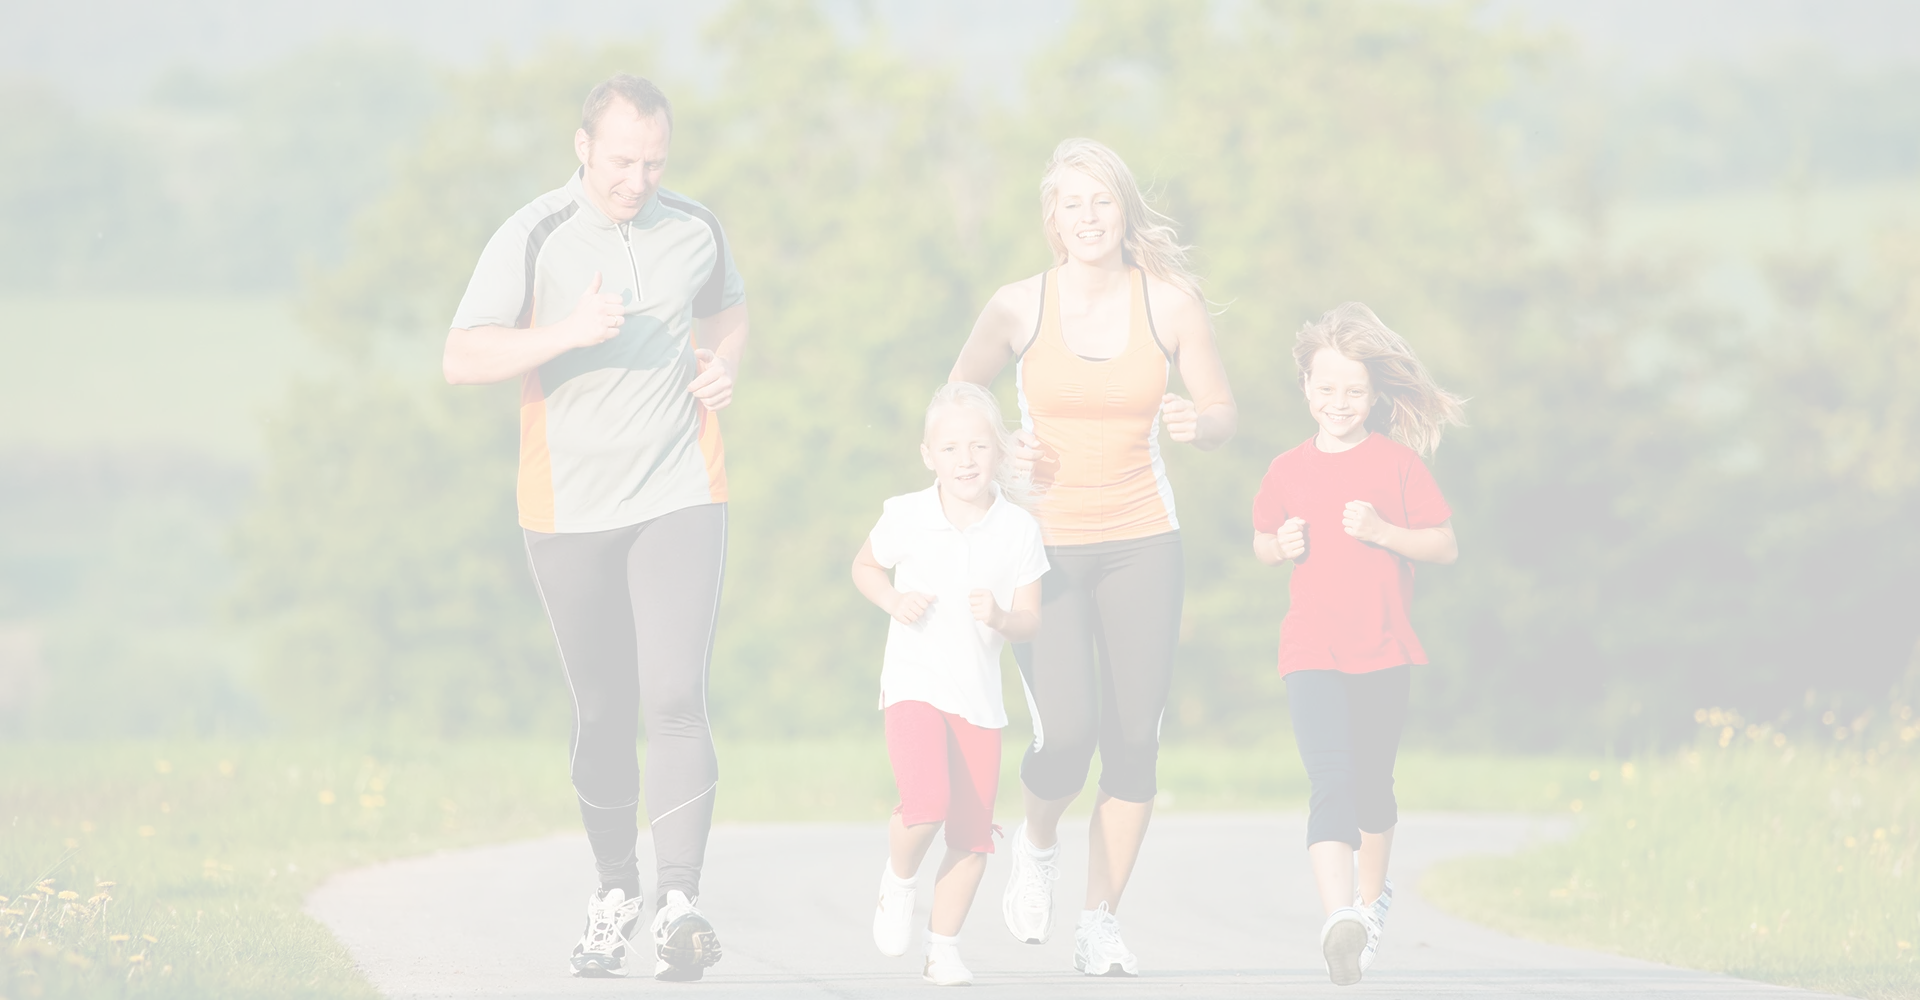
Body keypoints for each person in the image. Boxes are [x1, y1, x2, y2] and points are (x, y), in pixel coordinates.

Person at [441, 72, 748, 982]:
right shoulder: (532, 233)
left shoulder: (695, 227)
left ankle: (681, 902)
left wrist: (725, 364)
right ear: (583, 147)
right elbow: (463, 355)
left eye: (654, 162)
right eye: (622, 161)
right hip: (567, 506)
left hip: (679, 489)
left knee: (674, 693)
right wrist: (564, 332)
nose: (638, 179)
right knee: (604, 711)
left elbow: (727, 306)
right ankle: (616, 892)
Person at [948, 137, 1237, 976]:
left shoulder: (1170, 304)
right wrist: (1001, 453)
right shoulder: (1017, 307)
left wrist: (1199, 424)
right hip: (1042, 547)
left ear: (1123, 212)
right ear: (1052, 219)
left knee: (1134, 743)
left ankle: (1099, 921)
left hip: (1145, 538)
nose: (1087, 218)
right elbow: (956, 407)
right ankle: (1037, 842)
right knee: (1067, 734)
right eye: (1071, 204)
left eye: (1102, 202)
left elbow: (1221, 409)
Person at [1249, 302, 1465, 986]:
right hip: (1310, 648)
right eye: (1326, 387)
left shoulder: (1396, 467)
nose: (1338, 401)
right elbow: (1261, 538)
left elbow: (1443, 545)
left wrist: (1383, 532)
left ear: (1373, 397)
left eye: (1353, 390)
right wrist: (1275, 547)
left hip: (1383, 648)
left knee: (1373, 789)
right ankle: (1339, 917)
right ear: (1305, 387)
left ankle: (1371, 905)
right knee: (1332, 782)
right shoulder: (1285, 470)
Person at [852, 382, 1050, 987]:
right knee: (926, 804)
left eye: (980, 447)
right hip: (913, 682)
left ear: (1001, 453)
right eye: (951, 448)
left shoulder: (1018, 529)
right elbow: (864, 566)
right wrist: (892, 597)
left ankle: (943, 948)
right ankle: (899, 880)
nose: (966, 460)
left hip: (979, 701)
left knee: (971, 835)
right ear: (928, 455)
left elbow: (1031, 621)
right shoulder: (905, 514)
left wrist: (1000, 617)